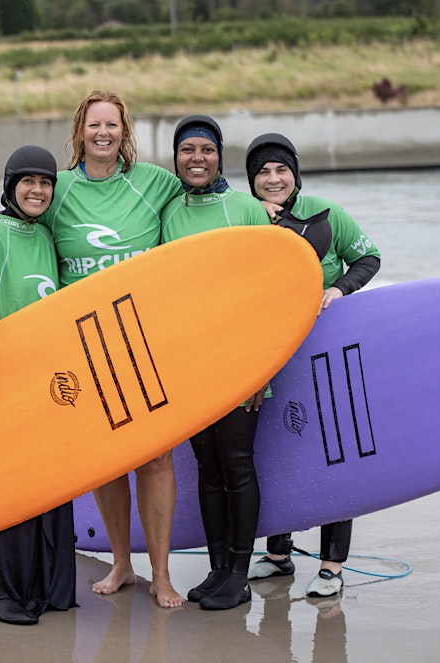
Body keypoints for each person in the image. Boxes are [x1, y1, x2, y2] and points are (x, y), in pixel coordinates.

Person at [0, 90, 186, 608]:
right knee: (105, 462)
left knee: (155, 460)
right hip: (83, 350)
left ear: (126, 132)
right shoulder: (57, 191)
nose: (103, 133)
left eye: (113, 125)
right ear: (79, 131)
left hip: (146, 342)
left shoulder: (154, 182)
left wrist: (268, 208)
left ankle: (163, 575)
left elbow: (204, 196)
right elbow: (19, 218)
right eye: (94, 124)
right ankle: (122, 564)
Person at [243, 132, 381, 598]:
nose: (273, 178)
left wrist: (338, 290)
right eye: (263, 171)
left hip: (326, 352)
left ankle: (331, 566)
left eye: (281, 169)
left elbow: (368, 257)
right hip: (272, 354)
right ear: (252, 180)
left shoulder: (326, 214)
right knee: (278, 448)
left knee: (332, 452)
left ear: (295, 174)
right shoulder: (244, 219)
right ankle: (278, 555)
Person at [0, 145, 76, 626]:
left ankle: (44, 586)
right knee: (10, 491)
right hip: (3, 386)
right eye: (27, 181)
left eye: (45, 182)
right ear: (10, 187)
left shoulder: (45, 236)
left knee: (46, 486)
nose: (37, 190)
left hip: (45, 386)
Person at [160, 115, 272, 610]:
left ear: (219, 156)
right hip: (192, 366)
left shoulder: (247, 209)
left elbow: (271, 293)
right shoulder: (169, 212)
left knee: (237, 466)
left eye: (206, 150)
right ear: (177, 159)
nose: (197, 158)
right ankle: (217, 567)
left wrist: (260, 368)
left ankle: (241, 573)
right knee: (207, 468)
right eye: (188, 151)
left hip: (242, 364)